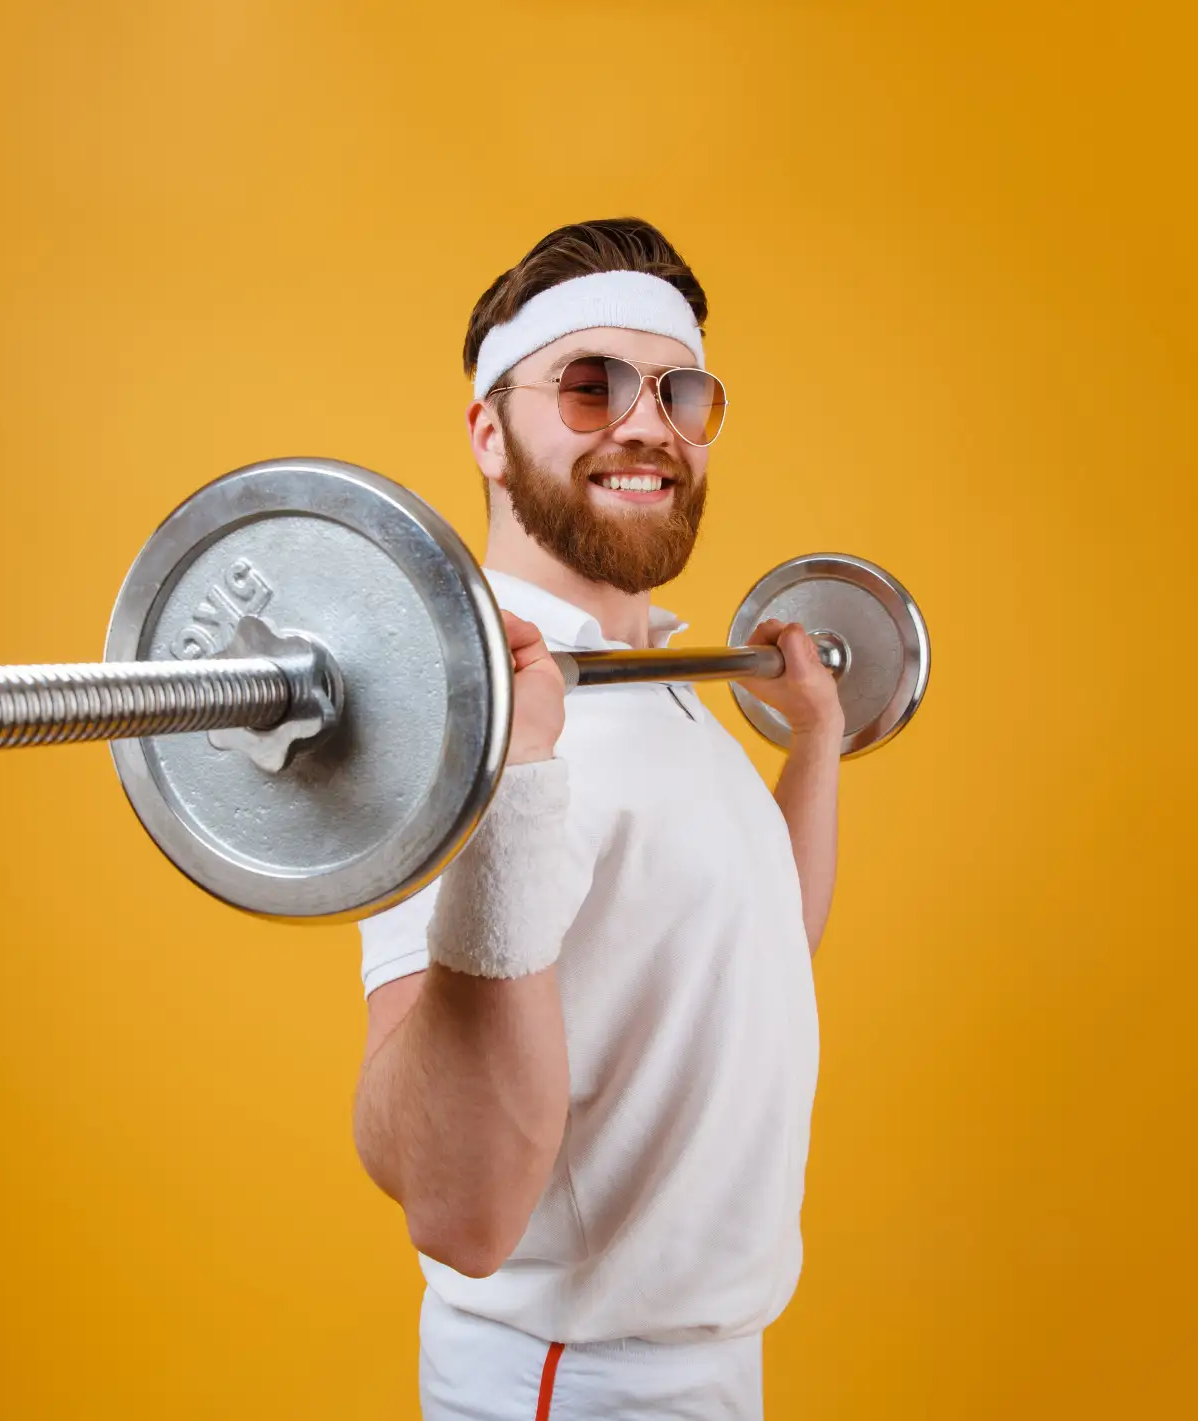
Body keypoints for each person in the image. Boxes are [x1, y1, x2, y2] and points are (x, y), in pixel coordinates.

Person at [351, 218, 846, 1420]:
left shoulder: (661, 680)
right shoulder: (474, 717)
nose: (645, 423)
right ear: (487, 427)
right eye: (589, 386)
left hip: (712, 1361)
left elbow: (741, 955)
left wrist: (814, 746)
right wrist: (509, 779)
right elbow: (451, 1200)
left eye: (679, 391)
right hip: (573, 1381)